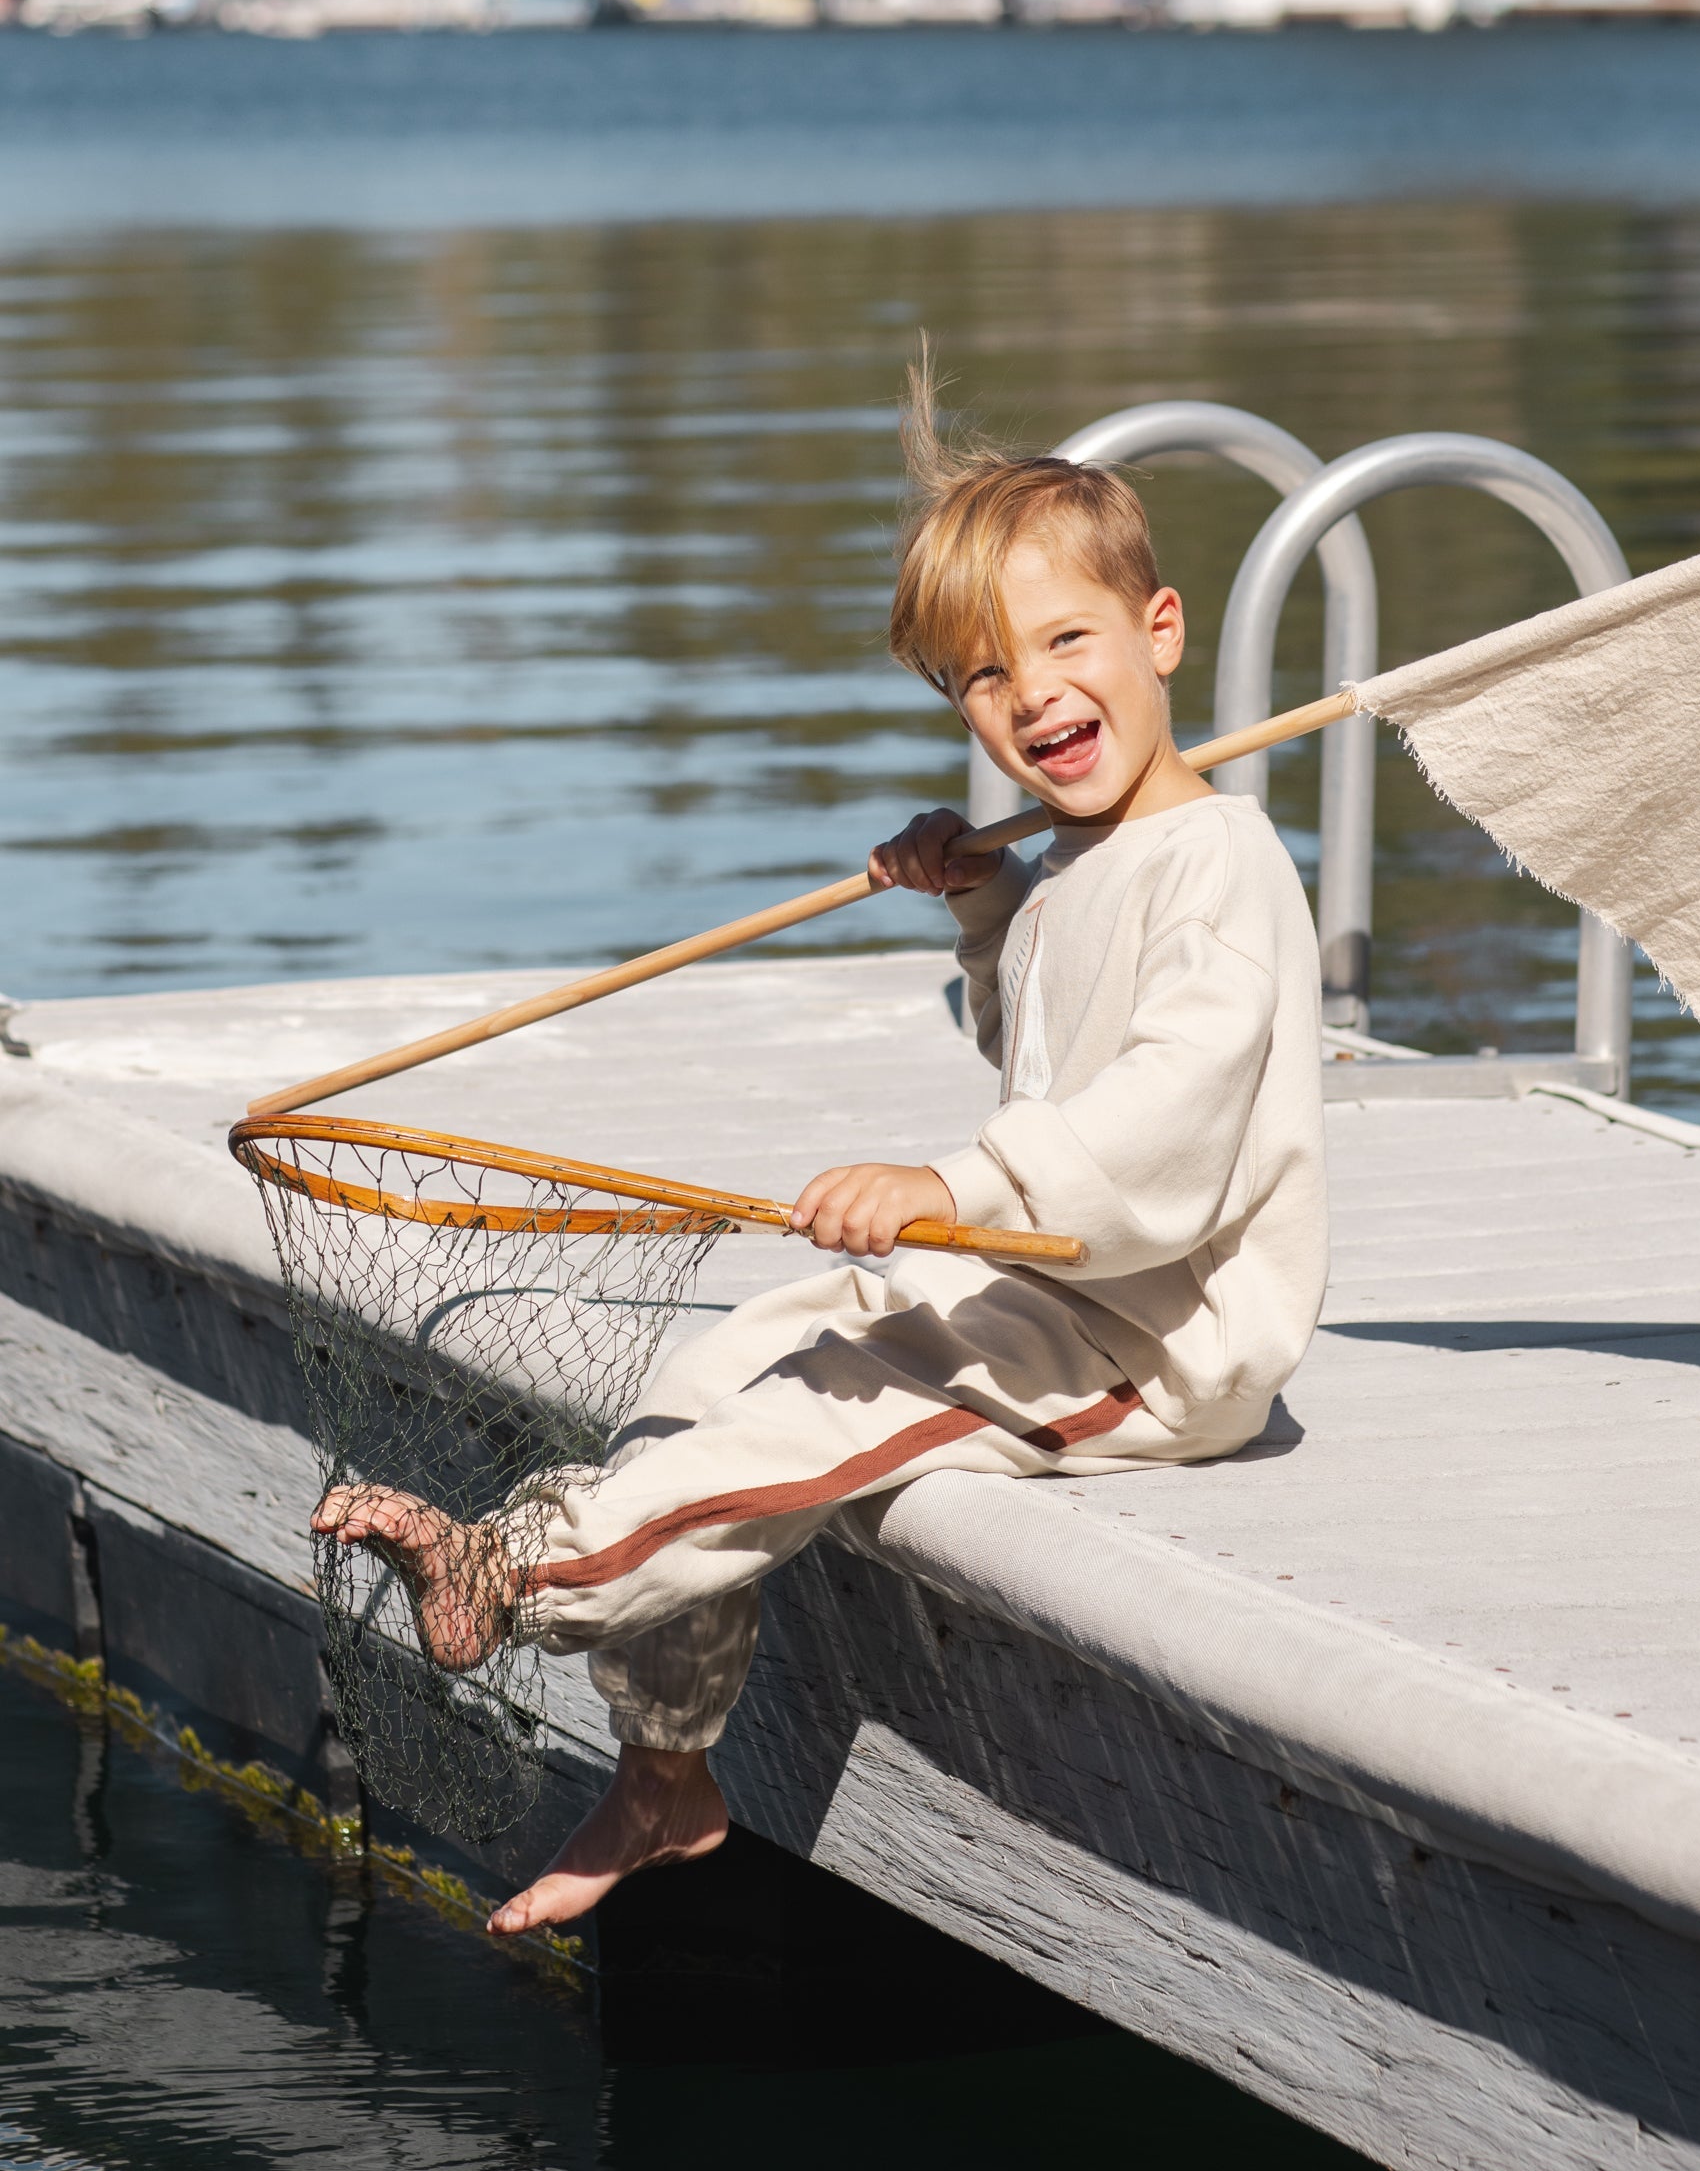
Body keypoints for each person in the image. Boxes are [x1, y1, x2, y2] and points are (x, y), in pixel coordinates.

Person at [313, 360, 1330, 1936]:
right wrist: (989, 902)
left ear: (1162, 633)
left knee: (813, 1424)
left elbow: (1165, 1120)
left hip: (1154, 1340)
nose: (1034, 697)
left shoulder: (1220, 870)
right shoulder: (1080, 860)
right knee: (727, 1371)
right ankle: (667, 1770)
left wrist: (949, 1191)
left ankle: (511, 1574)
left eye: (1069, 643)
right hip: (1050, 1285)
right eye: (985, 676)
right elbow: (1043, 1057)